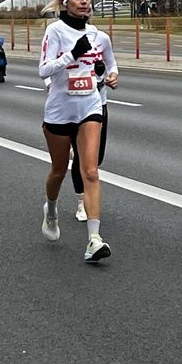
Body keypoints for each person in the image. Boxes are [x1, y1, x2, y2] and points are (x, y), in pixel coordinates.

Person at [38, 0, 112, 262]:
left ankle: (94, 239)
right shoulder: (55, 30)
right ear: (66, 2)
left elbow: (107, 65)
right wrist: (72, 54)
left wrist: (109, 75)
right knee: (58, 170)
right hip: (59, 109)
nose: (85, 2)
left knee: (90, 171)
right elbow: (43, 71)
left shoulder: (98, 35)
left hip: (90, 105)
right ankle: (52, 210)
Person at [67, 26, 118, 222]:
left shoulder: (102, 38)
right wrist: (51, 85)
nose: (85, 5)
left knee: (97, 158)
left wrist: (112, 76)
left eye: (87, 0)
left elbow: (111, 64)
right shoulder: (60, 35)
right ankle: (81, 201)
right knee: (83, 159)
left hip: (98, 102)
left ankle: (77, 150)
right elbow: (46, 66)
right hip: (72, 103)